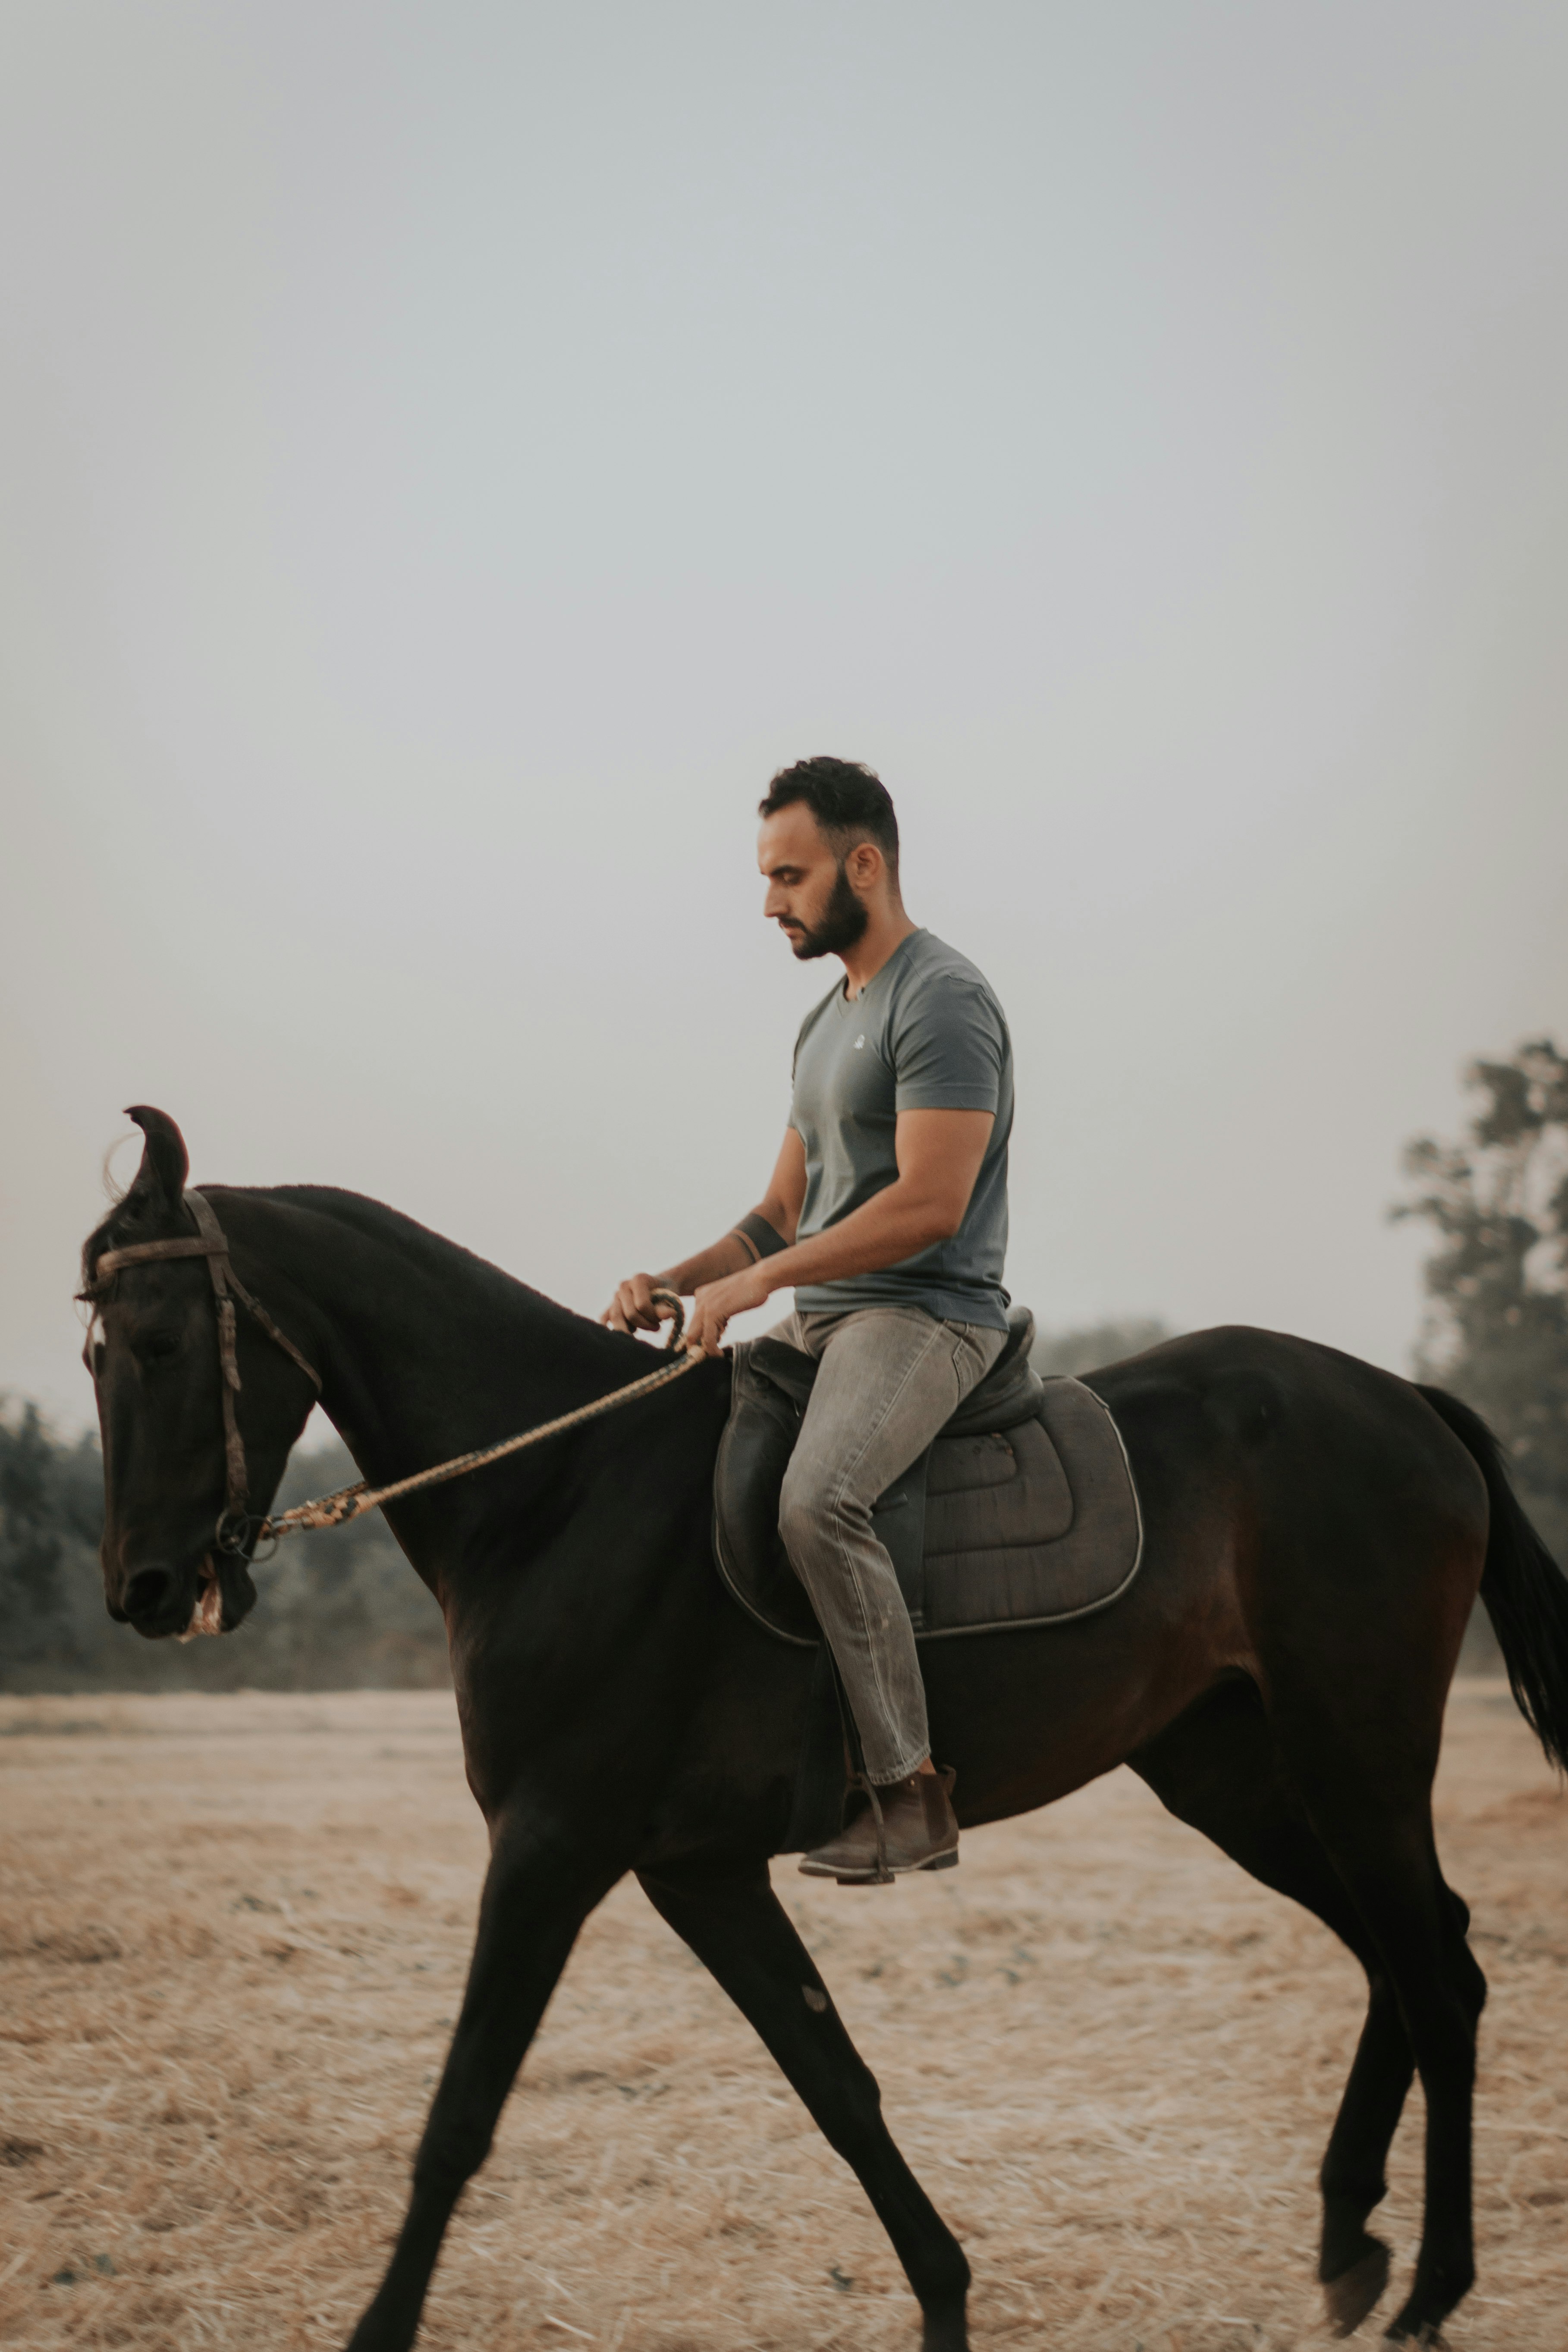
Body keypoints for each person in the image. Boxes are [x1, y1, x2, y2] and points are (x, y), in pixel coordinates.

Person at [603, 757, 1014, 1882]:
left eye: (789, 875)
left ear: (863, 863)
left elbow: (929, 1205)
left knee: (818, 1501)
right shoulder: (822, 1022)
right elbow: (779, 1212)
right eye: (766, 877)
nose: (771, 902)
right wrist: (684, 1281)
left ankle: (907, 1792)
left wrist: (765, 1285)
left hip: (924, 1314)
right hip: (824, 1316)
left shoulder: (940, 998)